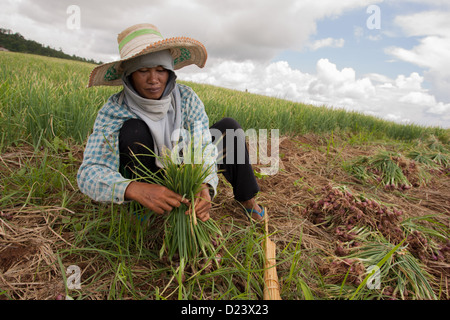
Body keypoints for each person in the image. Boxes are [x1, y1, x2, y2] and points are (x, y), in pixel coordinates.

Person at [77, 23, 264, 223]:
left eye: (160, 70)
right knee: (133, 130)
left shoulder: (186, 98)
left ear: (170, 72)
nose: (153, 79)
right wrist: (134, 189)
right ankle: (145, 211)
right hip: (147, 180)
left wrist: (202, 183)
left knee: (229, 129)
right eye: (143, 71)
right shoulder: (116, 109)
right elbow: (90, 172)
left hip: (185, 168)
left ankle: (248, 202)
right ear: (129, 74)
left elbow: (201, 144)